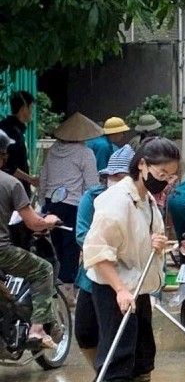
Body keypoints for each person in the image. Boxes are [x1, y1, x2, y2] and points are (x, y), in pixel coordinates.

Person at [81, 138, 179, 382]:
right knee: (116, 354)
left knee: (142, 352)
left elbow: (135, 242)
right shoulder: (115, 201)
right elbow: (96, 253)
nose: (165, 181)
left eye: (171, 176)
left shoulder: (146, 200)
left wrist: (155, 242)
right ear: (142, 166)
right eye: (162, 174)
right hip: (114, 288)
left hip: (139, 287)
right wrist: (120, 289)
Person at [0, 129, 62, 349]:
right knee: (43, 269)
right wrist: (50, 221)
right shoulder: (10, 183)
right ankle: (37, 330)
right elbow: (34, 223)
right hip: (3, 252)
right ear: (4, 154)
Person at [75, 145, 134, 364]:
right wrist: (104, 250)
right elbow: (82, 233)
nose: (117, 182)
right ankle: (101, 375)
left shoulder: (140, 203)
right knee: (85, 333)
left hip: (127, 278)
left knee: (118, 339)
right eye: (114, 177)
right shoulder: (92, 198)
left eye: (124, 177)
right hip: (94, 274)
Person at [41, 112, 102, 291]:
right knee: (72, 245)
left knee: (57, 243)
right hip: (73, 204)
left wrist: (43, 202)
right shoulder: (85, 153)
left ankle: (58, 281)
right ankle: (67, 286)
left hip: (51, 202)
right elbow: (92, 184)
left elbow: (44, 177)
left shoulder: (52, 150)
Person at [0, 91, 37, 194]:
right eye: (31, 108)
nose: (32, 112)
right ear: (24, 107)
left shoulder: (6, 127)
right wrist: (30, 179)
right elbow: (8, 165)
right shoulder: (12, 132)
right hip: (11, 190)